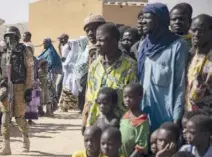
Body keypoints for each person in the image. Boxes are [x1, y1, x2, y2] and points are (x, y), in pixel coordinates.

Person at [139, 3, 189, 132]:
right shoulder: (143, 45)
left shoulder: (178, 46)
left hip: (166, 115)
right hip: (144, 113)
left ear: (159, 20)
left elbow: (180, 84)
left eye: (147, 18)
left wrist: (176, 116)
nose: (142, 21)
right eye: (142, 17)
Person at [86, 23, 137, 127]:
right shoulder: (95, 66)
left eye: (101, 40)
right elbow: (89, 95)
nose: (97, 44)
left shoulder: (130, 66)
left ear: (114, 41)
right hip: (95, 123)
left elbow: (134, 101)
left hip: (119, 126)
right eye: (96, 40)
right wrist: (85, 119)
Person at [0, 26, 33, 155]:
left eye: (12, 36)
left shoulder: (24, 50)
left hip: (20, 87)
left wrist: (28, 89)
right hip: (5, 87)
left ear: (17, 37)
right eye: (7, 36)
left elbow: (29, 70)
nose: (9, 39)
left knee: (19, 117)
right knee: (5, 116)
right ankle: (6, 146)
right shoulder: (2, 51)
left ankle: (26, 140)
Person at [79, 14, 105, 130]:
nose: (90, 33)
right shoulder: (91, 51)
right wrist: (85, 114)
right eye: (87, 30)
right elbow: (90, 86)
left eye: (93, 29)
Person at [186, 14, 212, 116]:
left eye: (201, 31)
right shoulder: (191, 55)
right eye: (193, 30)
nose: (196, 34)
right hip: (188, 115)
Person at [120, 83, 149, 157]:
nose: (127, 99)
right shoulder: (125, 115)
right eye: (125, 97)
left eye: (130, 97)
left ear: (140, 97)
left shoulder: (142, 121)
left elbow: (141, 146)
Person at [38, 38, 62, 113]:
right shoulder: (47, 51)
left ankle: (53, 105)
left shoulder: (50, 52)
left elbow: (50, 63)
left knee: (50, 89)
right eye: (43, 43)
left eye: (45, 43)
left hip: (51, 72)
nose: (44, 44)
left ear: (49, 43)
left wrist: (44, 69)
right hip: (48, 72)